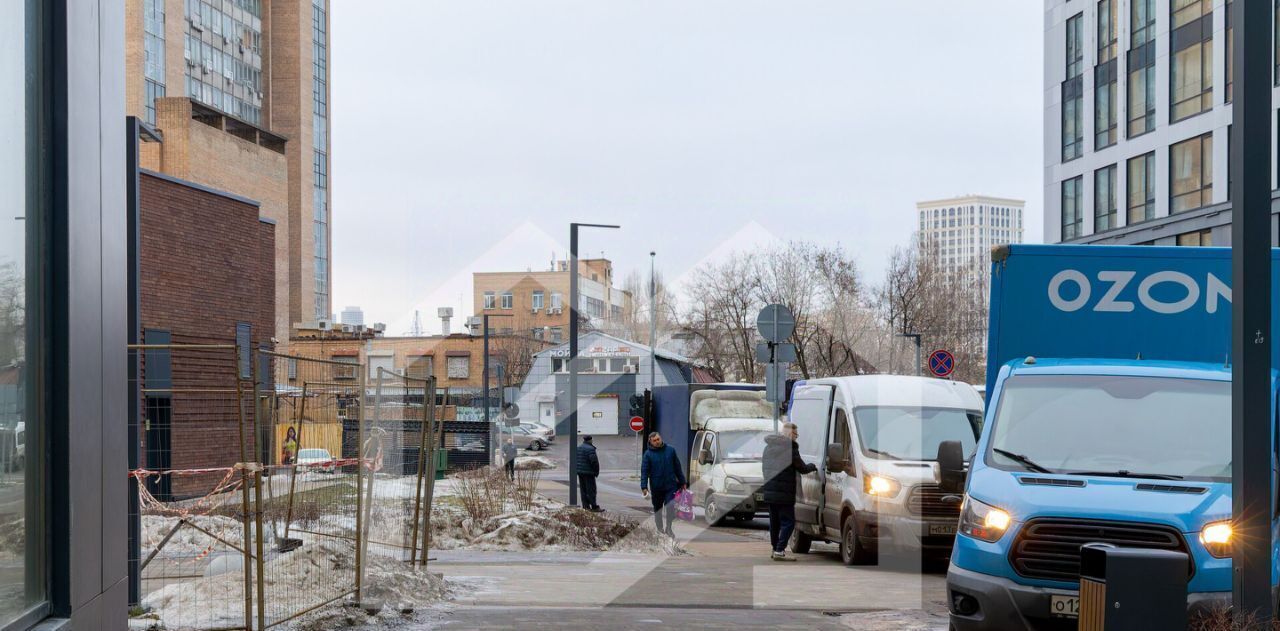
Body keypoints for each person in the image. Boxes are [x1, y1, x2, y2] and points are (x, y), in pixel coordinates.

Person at [761, 422, 817, 562]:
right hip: (784, 493)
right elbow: (802, 467)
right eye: (796, 434)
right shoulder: (790, 449)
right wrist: (812, 466)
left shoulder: (768, 448)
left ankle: (775, 549)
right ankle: (780, 550)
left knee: (774, 522)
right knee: (789, 522)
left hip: (770, 491)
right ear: (789, 434)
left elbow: (764, 468)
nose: (796, 437)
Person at [640, 431, 686, 536]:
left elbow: (677, 467)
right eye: (654, 441)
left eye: (658, 439)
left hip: (670, 485)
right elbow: (644, 471)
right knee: (658, 509)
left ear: (661, 438)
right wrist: (644, 487)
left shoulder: (670, 450)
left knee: (670, 506)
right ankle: (660, 529)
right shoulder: (648, 455)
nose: (657, 442)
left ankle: (669, 527)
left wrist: (682, 481)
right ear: (650, 442)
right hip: (656, 486)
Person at [576, 435, 602, 512]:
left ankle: (585, 506)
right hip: (589, 473)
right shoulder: (590, 449)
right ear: (590, 440)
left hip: (580, 472)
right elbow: (594, 462)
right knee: (591, 490)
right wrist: (596, 472)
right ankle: (594, 506)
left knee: (583, 490)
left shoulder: (579, 448)